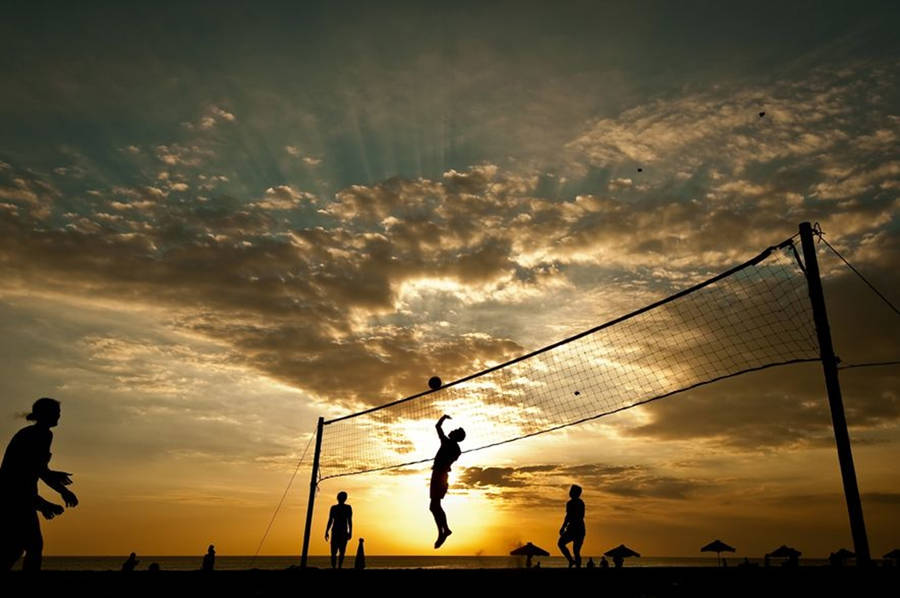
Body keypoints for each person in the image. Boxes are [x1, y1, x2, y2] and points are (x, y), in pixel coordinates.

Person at [1, 397, 78, 571]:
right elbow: (32, 471)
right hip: (15, 497)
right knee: (33, 546)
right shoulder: (40, 435)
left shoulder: (32, 433)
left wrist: (42, 500)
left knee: (15, 548)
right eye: (56, 413)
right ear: (46, 415)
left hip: (17, 496)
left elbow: (35, 468)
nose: (59, 416)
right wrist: (62, 492)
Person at [430, 414, 465, 549]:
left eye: (455, 431)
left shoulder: (448, 443)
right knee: (434, 506)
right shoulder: (457, 449)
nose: (453, 430)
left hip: (439, 476)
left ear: (456, 436)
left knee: (434, 506)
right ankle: (443, 531)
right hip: (441, 476)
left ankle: (443, 531)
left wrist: (443, 417)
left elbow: (437, 426)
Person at [557, 484, 585, 568]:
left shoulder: (577, 503)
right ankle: (571, 561)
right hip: (576, 528)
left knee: (575, 550)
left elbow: (569, 516)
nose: (570, 493)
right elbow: (568, 516)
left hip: (577, 528)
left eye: (571, 491)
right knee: (563, 544)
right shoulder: (574, 503)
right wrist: (564, 527)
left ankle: (574, 563)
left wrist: (563, 527)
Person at [324, 491, 353, 568]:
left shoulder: (347, 508)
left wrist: (350, 532)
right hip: (336, 531)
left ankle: (338, 566)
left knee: (340, 551)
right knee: (335, 551)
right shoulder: (334, 508)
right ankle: (335, 567)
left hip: (342, 531)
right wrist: (326, 531)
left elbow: (349, 521)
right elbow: (330, 520)